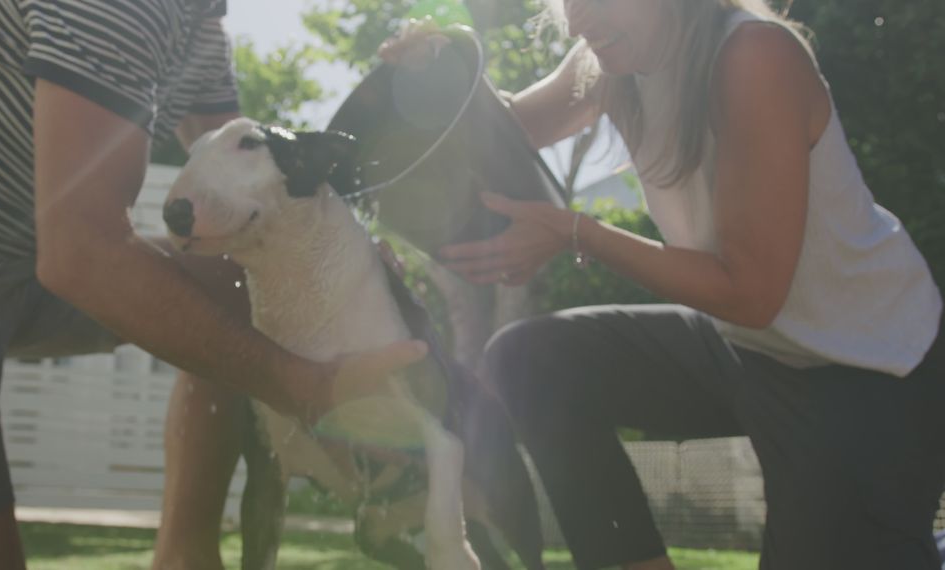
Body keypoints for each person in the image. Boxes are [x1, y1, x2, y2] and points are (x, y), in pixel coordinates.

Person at [0, 1, 426, 569]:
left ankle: (183, 556)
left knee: (241, 275)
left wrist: (344, 256)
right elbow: (82, 254)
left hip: (8, 260)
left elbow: (255, 194)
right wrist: (304, 389)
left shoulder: (196, 23)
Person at [389, 0, 945, 569]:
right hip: (748, 349)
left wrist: (581, 232)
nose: (578, 20)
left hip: (865, 365)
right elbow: (504, 132)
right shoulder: (606, 60)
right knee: (531, 360)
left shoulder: (754, 57)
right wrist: (434, 80)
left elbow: (752, 292)